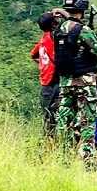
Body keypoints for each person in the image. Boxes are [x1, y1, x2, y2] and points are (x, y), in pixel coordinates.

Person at [54, 0, 97, 168]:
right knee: (87, 121)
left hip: (65, 82)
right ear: (82, 9)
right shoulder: (82, 30)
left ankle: (62, 158)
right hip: (84, 82)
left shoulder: (58, 29)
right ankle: (88, 160)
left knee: (63, 119)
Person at [30, 10, 64, 138]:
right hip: (53, 83)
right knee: (53, 117)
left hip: (45, 83)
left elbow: (33, 55)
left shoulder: (43, 40)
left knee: (48, 117)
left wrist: (43, 64)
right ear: (53, 24)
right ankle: (51, 144)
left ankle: (49, 143)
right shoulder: (53, 38)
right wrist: (61, 12)